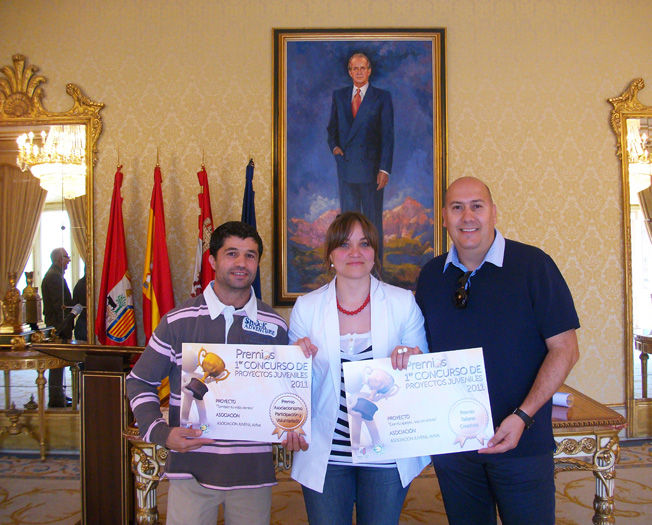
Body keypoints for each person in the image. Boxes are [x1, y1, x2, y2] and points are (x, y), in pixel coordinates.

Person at [415, 177, 580, 524]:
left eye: (477, 205)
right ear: (444, 218)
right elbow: (423, 354)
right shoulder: (430, 276)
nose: (467, 216)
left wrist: (523, 416)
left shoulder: (534, 266)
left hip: (523, 443)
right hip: (455, 448)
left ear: (494, 213)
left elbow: (565, 349)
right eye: (456, 207)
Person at [126, 222, 289, 525]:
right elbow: (139, 381)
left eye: (250, 255)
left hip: (252, 474)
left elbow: (284, 396)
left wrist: (293, 422)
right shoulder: (178, 321)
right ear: (213, 261)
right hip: (191, 469)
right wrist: (160, 433)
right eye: (232, 253)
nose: (242, 263)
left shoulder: (275, 326)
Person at [282, 211, 430, 524]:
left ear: (375, 253)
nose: (355, 253)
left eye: (364, 244)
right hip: (326, 452)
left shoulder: (403, 302)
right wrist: (294, 361)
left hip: (386, 451)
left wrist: (412, 359)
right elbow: (294, 388)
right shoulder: (306, 307)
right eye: (344, 244)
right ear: (330, 254)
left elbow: (421, 375)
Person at [327, 53, 394, 263]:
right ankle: (349, 267)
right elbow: (332, 129)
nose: (358, 72)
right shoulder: (339, 95)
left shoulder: (381, 97)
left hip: (372, 171)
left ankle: (376, 270)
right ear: (349, 71)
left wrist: (384, 169)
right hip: (346, 169)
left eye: (362, 68)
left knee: (372, 223)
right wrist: (335, 147)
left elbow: (387, 136)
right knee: (348, 224)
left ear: (369, 70)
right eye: (354, 68)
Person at [41, 247, 75, 407]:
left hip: (57, 326)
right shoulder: (54, 277)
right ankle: (56, 398)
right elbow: (59, 307)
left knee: (58, 363)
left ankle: (58, 393)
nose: (69, 260)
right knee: (57, 363)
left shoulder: (55, 275)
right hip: (58, 328)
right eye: (66, 257)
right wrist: (65, 328)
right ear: (59, 259)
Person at [72, 274, 87, 341]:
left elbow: (75, 303)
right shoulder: (99, 283)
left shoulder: (79, 283)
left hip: (81, 322)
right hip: (89, 321)